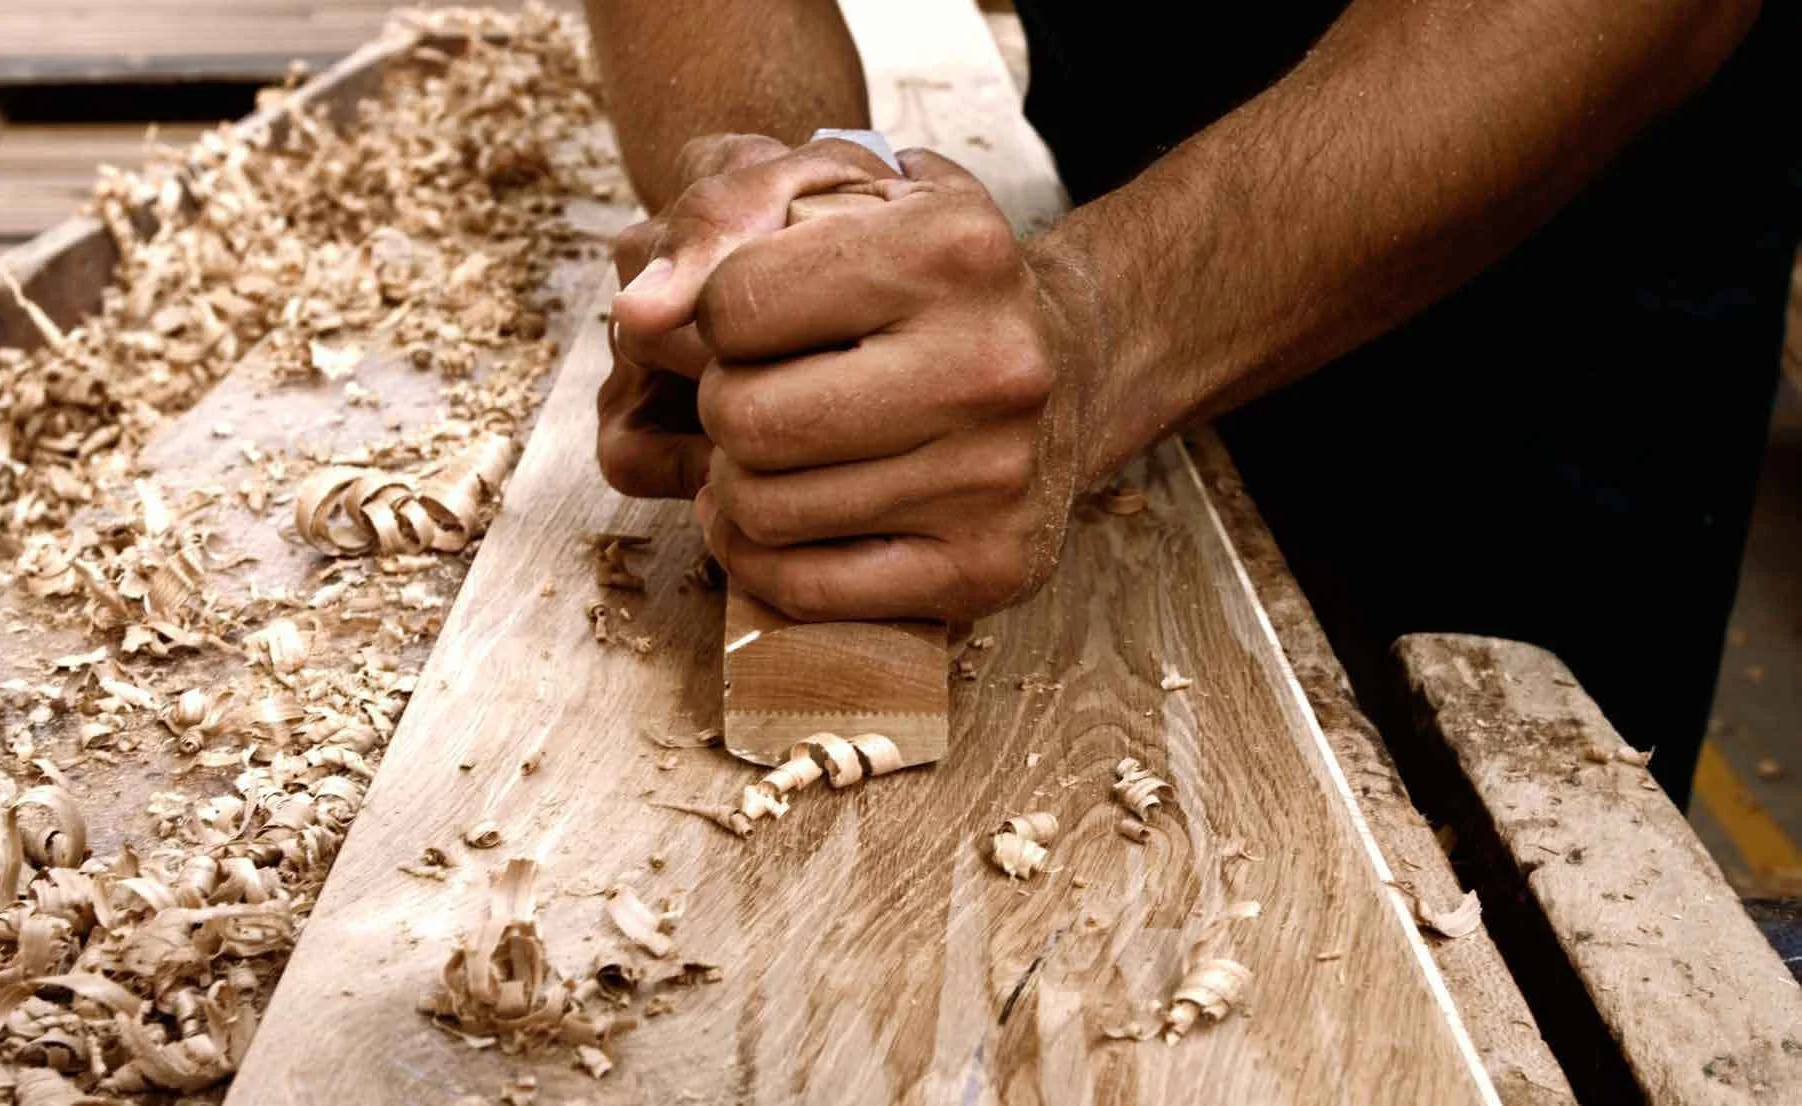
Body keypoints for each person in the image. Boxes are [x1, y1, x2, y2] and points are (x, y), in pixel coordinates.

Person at [586, 1, 1799, 806]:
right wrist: (779, 217)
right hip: (1127, 111)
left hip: (1540, 247)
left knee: (1480, 852)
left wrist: (1093, 323)